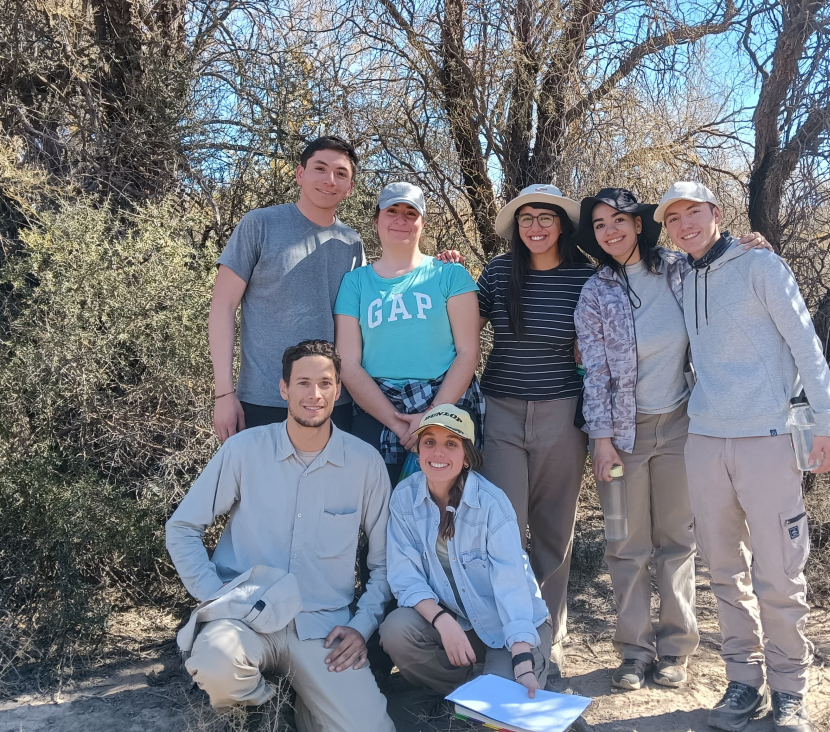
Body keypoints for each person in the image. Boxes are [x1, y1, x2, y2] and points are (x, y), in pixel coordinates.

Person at [574, 188, 772, 692]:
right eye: (599, 225)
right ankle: (634, 653)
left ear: (639, 224)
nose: (610, 231)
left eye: (619, 220)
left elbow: (722, 278)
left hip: (683, 427)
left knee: (676, 542)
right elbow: (593, 373)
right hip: (621, 437)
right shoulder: (596, 291)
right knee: (624, 543)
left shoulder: (678, 271)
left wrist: (750, 247)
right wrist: (601, 439)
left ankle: (675, 649)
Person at [659, 181, 830, 732]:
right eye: (674, 218)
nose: (686, 224)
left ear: (716, 212)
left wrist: (824, 423)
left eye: (695, 212)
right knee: (723, 570)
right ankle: (743, 681)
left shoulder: (762, 266)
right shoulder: (681, 276)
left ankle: (790, 691)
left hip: (767, 437)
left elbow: (806, 345)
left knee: (779, 573)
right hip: (705, 439)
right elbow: (618, 252)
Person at [165, 340, 397, 731]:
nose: (314, 394)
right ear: (283, 389)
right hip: (243, 619)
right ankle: (268, 712)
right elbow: (183, 527)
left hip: (321, 630)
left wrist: (362, 626)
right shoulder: (244, 450)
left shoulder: (364, 464)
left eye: (325, 383)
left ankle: (306, 702)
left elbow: (386, 562)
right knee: (217, 661)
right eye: (303, 383)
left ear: (338, 390)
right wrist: (214, 595)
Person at [474, 184, 594, 673]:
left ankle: (550, 634)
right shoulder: (500, 272)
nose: (537, 227)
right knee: (503, 528)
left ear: (563, 225)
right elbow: (463, 321)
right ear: (515, 227)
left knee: (553, 530)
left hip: (562, 412)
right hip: (500, 409)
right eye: (527, 219)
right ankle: (507, 633)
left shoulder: (586, 276)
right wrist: (442, 274)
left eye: (547, 218)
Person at [379, 405, 555, 698]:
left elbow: (512, 586)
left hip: (511, 628)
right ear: (418, 449)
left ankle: (496, 685)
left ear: (466, 457)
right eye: (429, 442)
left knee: (504, 707)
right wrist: (442, 621)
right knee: (396, 631)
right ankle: (469, 692)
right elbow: (405, 577)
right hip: (460, 622)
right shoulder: (404, 498)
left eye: (451, 444)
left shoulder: (491, 504)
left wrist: (522, 659)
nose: (438, 453)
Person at [209, 137, 363, 439]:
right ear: (300, 174)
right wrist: (224, 394)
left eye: (341, 173)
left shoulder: (352, 242)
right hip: (263, 400)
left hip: (334, 405)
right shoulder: (259, 225)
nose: (330, 180)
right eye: (320, 168)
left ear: (350, 188)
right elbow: (222, 307)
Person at [334, 182, 483, 486]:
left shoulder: (451, 275)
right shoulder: (355, 283)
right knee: (378, 512)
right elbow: (347, 363)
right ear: (377, 220)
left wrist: (430, 419)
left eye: (410, 213)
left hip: (446, 404)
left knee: (447, 510)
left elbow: (468, 352)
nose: (401, 220)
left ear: (422, 224)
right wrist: (399, 423)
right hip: (377, 411)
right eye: (392, 212)